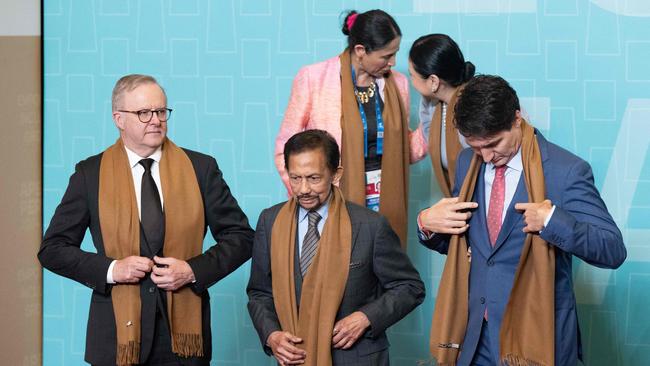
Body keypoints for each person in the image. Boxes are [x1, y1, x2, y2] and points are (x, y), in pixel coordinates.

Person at [38, 74, 255, 366]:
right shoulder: (90, 174)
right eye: (143, 113)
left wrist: (192, 270)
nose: (155, 120)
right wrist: (113, 269)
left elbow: (241, 238)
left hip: (184, 341)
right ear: (119, 118)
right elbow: (52, 249)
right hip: (117, 338)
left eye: (161, 111)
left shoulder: (200, 168)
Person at [417, 75, 626, 366]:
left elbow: (612, 250)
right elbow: (476, 248)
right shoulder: (467, 163)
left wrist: (553, 220)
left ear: (517, 119)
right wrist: (427, 224)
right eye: (476, 147)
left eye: (493, 144)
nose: (486, 157)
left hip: (536, 339)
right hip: (473, 337)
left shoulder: (566, 172)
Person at [249, 129, 425, 366]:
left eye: (313, 178)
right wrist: (272, 335)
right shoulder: (270, 221)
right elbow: (259, 292)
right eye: (295, 178)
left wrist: (366, 317)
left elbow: (410, 287)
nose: (303, 189)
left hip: (357, 358)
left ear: (335, 174)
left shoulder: (370, 226)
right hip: (295, 359)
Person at [274, 9, 428, 246]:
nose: (393, 62)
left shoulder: (398, 84)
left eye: (395, 54)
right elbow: (285, 146)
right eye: (386, 55)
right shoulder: (314, 78)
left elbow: (407, 151)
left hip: (385, 198)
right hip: (331, 198)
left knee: (381, 266)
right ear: (360, 51)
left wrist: (436, 113)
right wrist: (309, 191)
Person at [408, 34, 475, 197]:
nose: (411, 81)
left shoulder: (473, 106)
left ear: (433, 81)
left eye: (412, 75)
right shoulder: (432, 106)